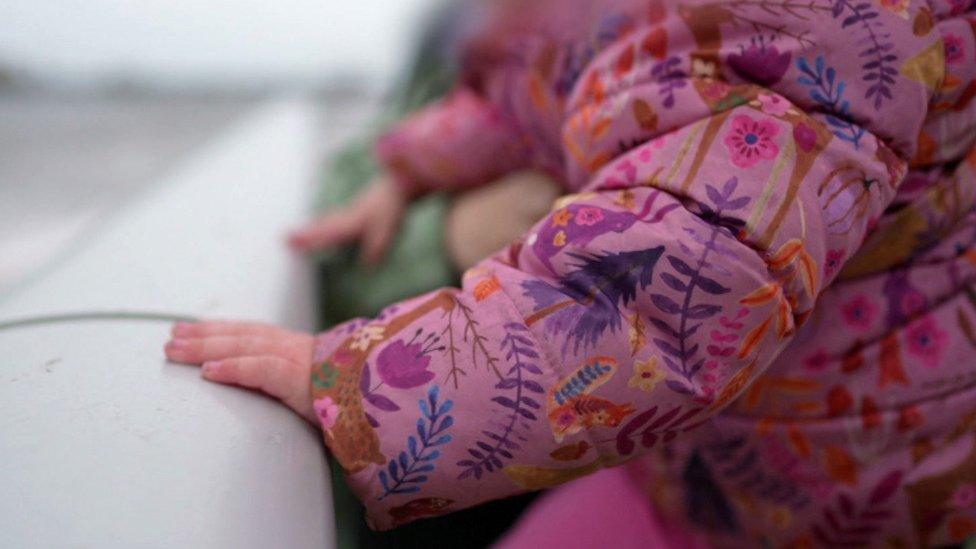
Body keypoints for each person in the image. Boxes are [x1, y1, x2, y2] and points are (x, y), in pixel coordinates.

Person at [165, 0, 976, 545]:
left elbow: (651, 302)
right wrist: (409, 169)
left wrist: (357, 381)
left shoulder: (810, 27)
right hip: (701, 456)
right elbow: (543, 91)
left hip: (842, 492)